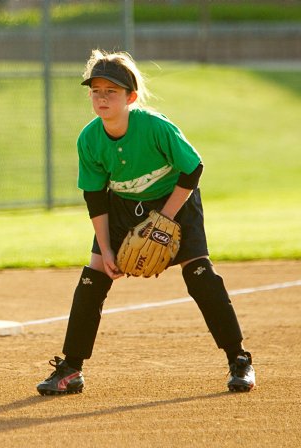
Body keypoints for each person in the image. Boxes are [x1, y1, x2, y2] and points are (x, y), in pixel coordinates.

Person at [37, 49, 255, 395]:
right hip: (122, 206)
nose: (102, 97)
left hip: (175, 201)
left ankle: (239, 359)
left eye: (111, 91)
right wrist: (106, 248)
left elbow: (193, 168)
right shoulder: (89, 139)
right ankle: (71, 369)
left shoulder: (154, 126)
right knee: (92, 278)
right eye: (96, 90)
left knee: (200, 276)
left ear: (131, 96)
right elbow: (94, 196)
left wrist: (164, 219)